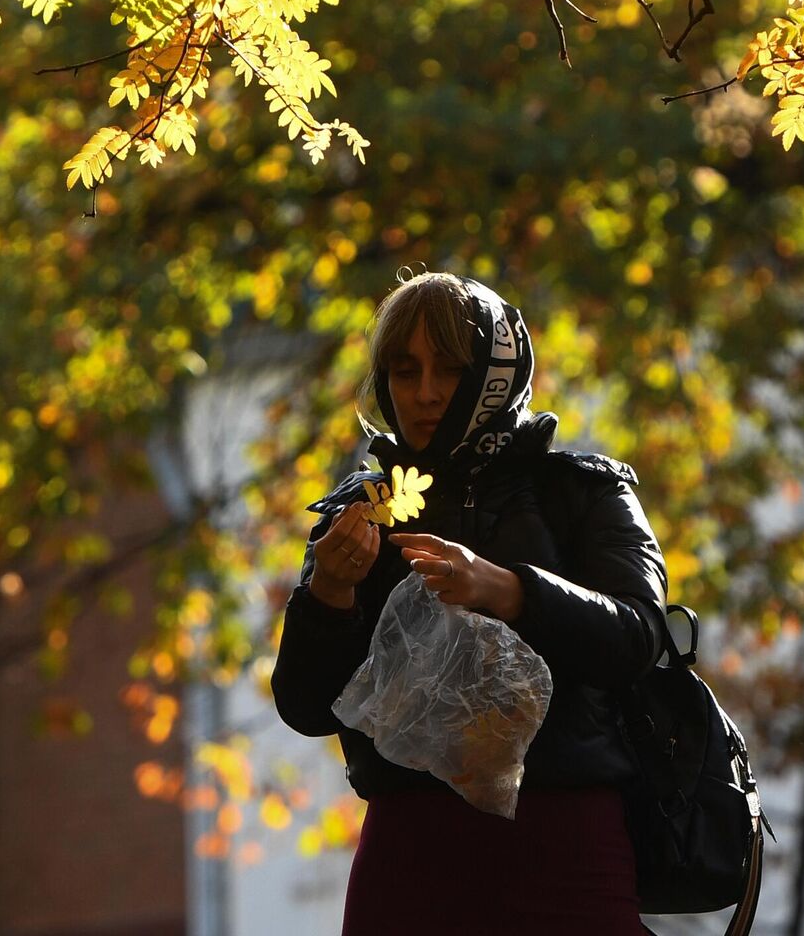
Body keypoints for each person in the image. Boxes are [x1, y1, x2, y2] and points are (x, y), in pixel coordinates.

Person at [272, 270, 668, 935]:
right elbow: (307, 707)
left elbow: (638, 638)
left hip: (563, 846)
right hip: (410, 855)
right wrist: (329, 594)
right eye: (404, 371)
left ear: (496, 372)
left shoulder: (583, 492)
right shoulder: (360, 512)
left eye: (450, 371)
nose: (424, 394)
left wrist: (509, 589)